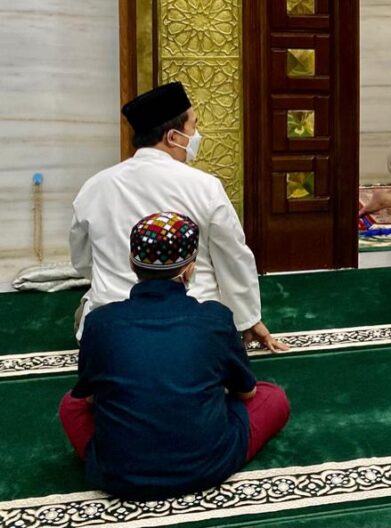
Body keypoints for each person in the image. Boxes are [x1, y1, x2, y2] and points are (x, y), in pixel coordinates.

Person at [59, 212, 291, 501]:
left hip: (118, 474)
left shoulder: (100, 322)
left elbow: (90, 399)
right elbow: (247, 393)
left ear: (132, 264)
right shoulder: (214, 319)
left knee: (70, 404)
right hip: (208, 465)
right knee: (273, 397)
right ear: (189, 270)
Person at [70, 81, 286, 351]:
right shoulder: (204, 186)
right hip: (193, 328)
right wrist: (248, 319)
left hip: (114, 333)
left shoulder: (95, 186)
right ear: (173, 137)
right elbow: (233, 257)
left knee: (87, 307)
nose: (197, 135)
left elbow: (82, 262)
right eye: (193, 126)